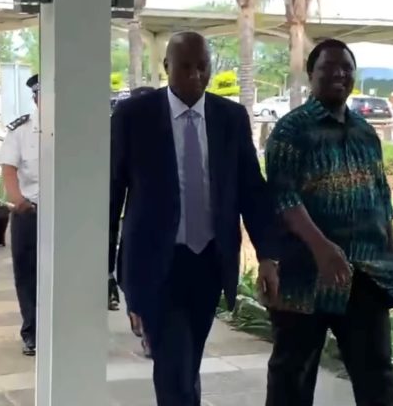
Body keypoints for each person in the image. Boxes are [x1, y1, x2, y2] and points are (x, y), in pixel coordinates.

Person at [110, 31, 278, 406]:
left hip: (209, 262)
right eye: (185, 66)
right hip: (156, 264)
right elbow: (112, 191)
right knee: (174, 366)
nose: (195, 75)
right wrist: (107, 269)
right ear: (166, 66)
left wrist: (268, 255)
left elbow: (252, 190)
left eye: (203, 66)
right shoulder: (134, 116)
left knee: (187, 362)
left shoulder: (229, 118)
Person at [265, 39, 393, 406]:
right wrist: (322, 248)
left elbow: (381, 196)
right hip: (304, 277)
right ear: (311, 74)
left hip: (366, 276)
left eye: (347, 68)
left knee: (378, 379)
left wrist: (392, 255)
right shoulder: (291, 131)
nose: (339, 74)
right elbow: (283, 198)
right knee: (292, 378)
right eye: (329, 67)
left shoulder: (365, 132)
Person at [0, 74, 39, 357]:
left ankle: (62, 330)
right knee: (27, 274)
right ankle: (32, 332)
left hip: (64, 215)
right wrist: (18, 200)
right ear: (36, 99)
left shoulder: (72, 128)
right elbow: (8, 168)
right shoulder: (21, 130)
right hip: (30, 212)